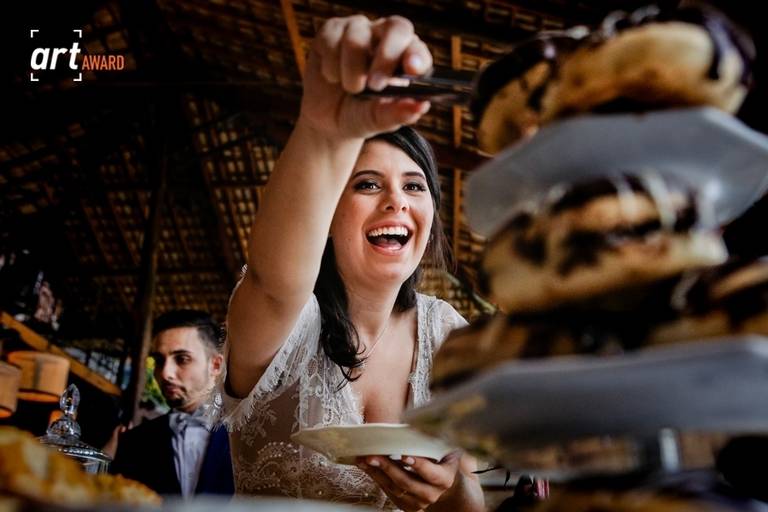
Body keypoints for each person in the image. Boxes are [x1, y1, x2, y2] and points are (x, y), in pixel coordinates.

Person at [215, 14, 484, 511]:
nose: (396, 202)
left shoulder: (448, 334)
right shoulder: (287, 321)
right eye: (367, 184)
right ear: (328, 217)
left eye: (413, 186)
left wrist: (450, 492)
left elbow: (467, 495)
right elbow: (273, 280)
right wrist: (322, 129)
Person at [111, 310, 234, 498]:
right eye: (159, 361)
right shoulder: (132, 443)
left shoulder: (247, 436)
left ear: (215, 365)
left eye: (182, 359)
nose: (165, 373)